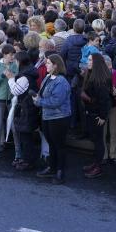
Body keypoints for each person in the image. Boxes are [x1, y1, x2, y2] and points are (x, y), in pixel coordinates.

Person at [33, 54, 72, 184]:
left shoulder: (61, 81)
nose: (46, 65)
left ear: (56, 65)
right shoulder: (48, 77)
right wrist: (37, 98)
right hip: (47, 116)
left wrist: (39, 101)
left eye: (49, 63)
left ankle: (60, 171)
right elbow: (42, 93)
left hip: (59, 117)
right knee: (51, 143)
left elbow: (56, 101)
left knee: (59, 145)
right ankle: (52, 167)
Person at [81, 53, 111, 179]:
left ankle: (98, 167)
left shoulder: (100, 79)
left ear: (96, 62)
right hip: (91, 112)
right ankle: (95, 163)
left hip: (97, 115)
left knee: (98, 141)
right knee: (95, 140)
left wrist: (103, 116)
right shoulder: (91, 74)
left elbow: (105, 100)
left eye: (90, 60)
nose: (88, 62)